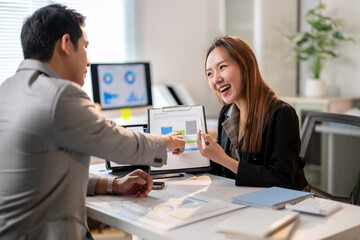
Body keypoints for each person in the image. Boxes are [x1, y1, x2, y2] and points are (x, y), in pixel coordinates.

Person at [0, 4, 185, 239]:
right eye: (85, 47)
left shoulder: (6, 89)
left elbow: (44, 175)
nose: (88, 61)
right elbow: (119, 144)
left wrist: (112, 185)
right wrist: (166, 141)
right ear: (66, 44)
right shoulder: (61, 94)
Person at [197, 36, 308, 191]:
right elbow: (221, 170)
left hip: (281, 205)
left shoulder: (282, 114)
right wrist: (188, 155)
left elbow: (282, 180)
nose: (216, 79)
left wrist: (223, 159)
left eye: (222, 67)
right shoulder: (227, 113)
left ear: (245, 66)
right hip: (242, 200)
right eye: (210, 73)